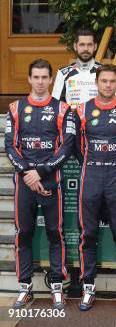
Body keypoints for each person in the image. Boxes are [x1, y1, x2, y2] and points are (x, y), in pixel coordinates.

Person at [6, 59, 75, 310]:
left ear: (50, 80)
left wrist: (42, 172)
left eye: (45, 77)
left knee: (54, 234)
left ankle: (57, 286)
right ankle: (25, 288)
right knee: (23, 234)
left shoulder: (63, 109)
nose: (40, 82)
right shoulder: (15, 108)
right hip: (24, 181)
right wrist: (28, 173)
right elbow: (10, 146)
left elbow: (67, 146)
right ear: (29, 79)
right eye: (36, 77)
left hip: (51, 180)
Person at [73, 64, 116, 312]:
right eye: (104, 81)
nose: (108, 85)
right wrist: (90, 163)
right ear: (97, 83)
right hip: (90, 175)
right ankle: (88, 286)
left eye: (112, 81)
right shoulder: (81, 110)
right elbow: (77, 148)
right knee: (88, 233)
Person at [52, 28, 102, 107]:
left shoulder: (104, 72)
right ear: (75, 46)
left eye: (89, 45)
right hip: (72, 118)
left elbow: (114, 102)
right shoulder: (63, 73)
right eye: (82, 45)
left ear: (95, 47)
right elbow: (56, 106)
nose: (86, 49)